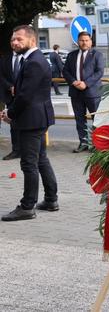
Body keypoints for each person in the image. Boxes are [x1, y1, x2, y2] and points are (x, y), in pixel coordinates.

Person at [1, 25, 58, 221]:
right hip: (36, 118)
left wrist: (10, 113)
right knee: (41, 159)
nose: (14, 43)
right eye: (12, 40)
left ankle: (27, 207)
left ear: (32, 40)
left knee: (29, 164)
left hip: (31, 120)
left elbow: (25, 96)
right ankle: (51, 200)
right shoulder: (33, 59)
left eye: (19, 39)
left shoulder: (34, 62)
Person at [63, 31, 105, 153]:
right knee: (79, 119)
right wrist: (74, 82)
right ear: (78, 41)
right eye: (82, 40)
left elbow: (99, 72)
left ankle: (97, 145)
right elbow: (65, 71)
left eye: (86, 40)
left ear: (91, 41)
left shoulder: (97, 55)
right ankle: (83, 143)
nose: (84, 42)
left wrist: (85, 83)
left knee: (96, 119)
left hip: (92, 92)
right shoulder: (71, 55)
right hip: (75, 92)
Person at [0, 47, 23, 160]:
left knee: (28, 123)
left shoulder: (28, 58)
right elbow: (1, 76)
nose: (16, 43)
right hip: (11, 96)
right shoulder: (5, 59)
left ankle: (28, 150)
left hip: (26, 96)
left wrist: (20, 88)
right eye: (13, 41)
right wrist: (10, 87)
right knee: (13, 124)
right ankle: (16, 150)